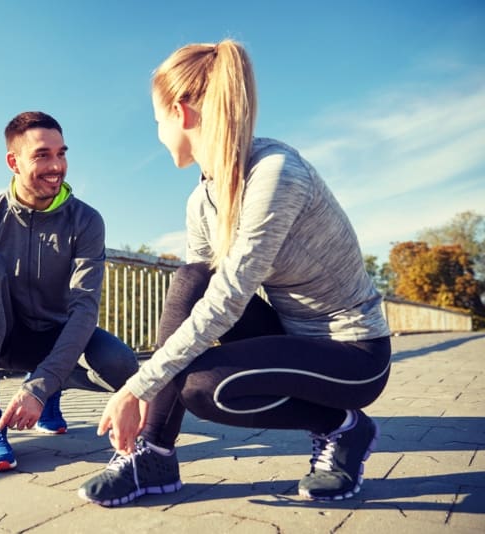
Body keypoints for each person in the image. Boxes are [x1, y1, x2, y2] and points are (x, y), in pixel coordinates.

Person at [78, 40, 391, 505]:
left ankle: (345, 427)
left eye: (157, 121)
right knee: (189, 279)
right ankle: (154, 454)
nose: (159, 133)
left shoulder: (276, 174)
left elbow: (228, 301)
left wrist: (135, 387)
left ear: (182, 113)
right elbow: (199, 297)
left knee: (204, 388)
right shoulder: (201, 200)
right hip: (291, 336)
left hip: (353, 354)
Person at [0, 111, 138, 472]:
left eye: (62, 153)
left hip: (57, 338)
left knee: (123, 365)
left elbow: (84, 310)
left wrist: (39, 388)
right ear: (13, 162)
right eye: (43, 155)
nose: (57, 166)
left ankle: (49, 389)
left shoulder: (86, 221)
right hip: (3, 340)